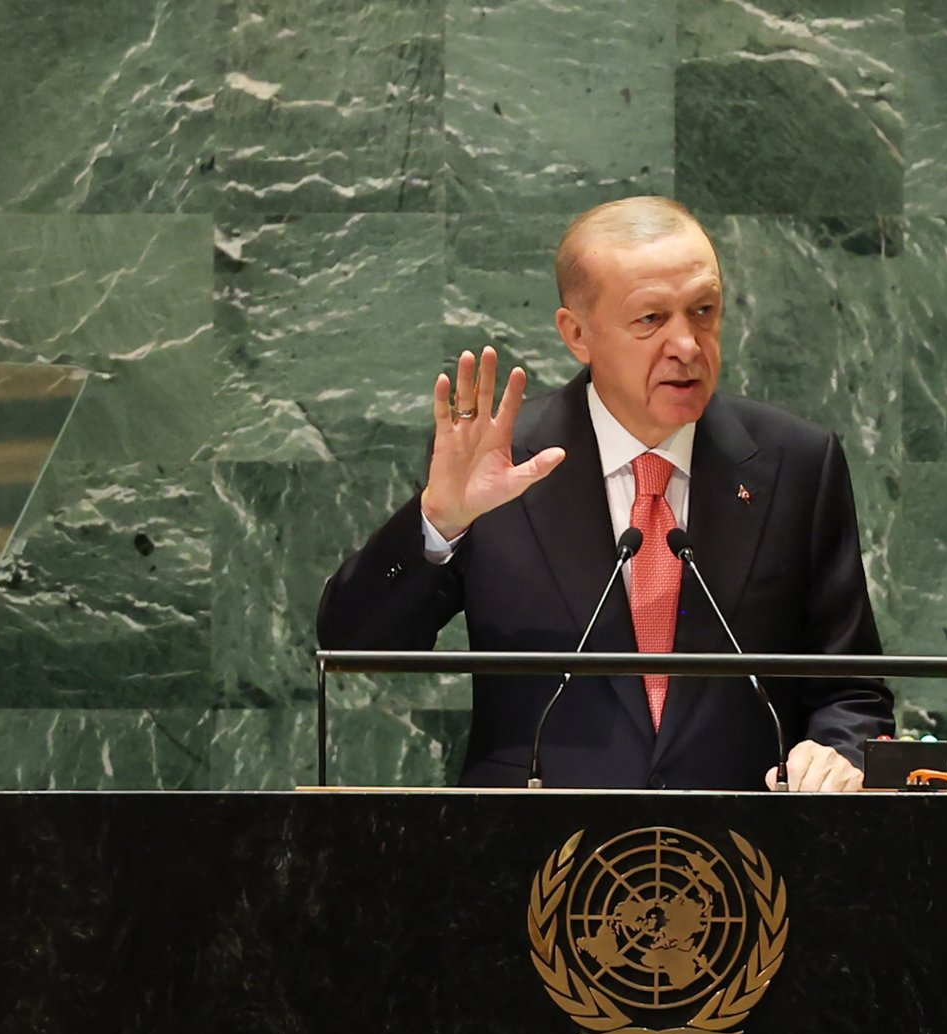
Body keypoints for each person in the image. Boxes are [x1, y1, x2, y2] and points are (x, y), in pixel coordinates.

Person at [318, 196, 892, 791]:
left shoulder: (795, 463)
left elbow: (851, 689)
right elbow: (355, 649)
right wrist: (439, 522)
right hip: (537, 862)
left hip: (740, 862)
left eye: (703, 311)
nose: (688, 346)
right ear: (577, 334)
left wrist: (835, 754)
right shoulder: (501, 464)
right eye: (651, 320)